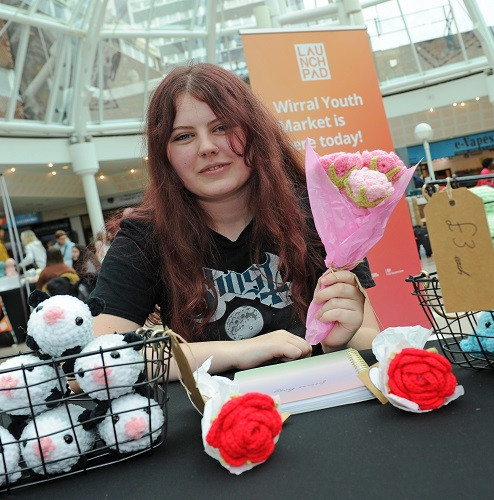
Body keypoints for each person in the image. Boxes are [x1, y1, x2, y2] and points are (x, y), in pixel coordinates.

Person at [90, 63, 378, 379]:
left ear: (254, 132)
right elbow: (95, 361)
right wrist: (235, 353)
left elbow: (371, 338)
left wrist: (340, 339)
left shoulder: (320, 213)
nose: (207, 147)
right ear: (165, 157)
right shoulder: (143, 237)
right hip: (217, 421)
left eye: (222, 127)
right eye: (184, 136)